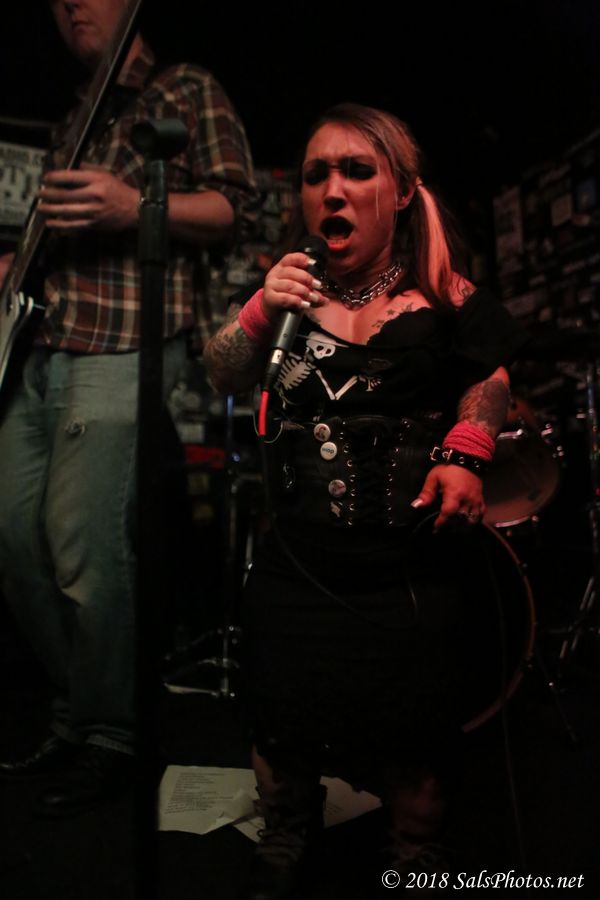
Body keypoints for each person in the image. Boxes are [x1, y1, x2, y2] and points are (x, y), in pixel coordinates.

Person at [203, 102, 527, 898]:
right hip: (297, 563)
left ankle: (416, 858)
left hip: (406, 571)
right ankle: (284, 838)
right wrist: (260, 307)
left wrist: (467, 450)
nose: (334, 189)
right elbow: (223, 371)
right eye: (317, 174)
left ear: (402, 191)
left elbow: (489, 373)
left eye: (357, 170)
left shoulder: (440, 295)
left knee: (416, 746)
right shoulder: (288, 295)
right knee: (280, 724)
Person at [0, 0, 256, 816]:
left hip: (122, 339)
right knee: (13, 539)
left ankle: (113, 733)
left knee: (84, 542)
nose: (69, 5)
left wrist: (131, 205)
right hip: (39, 344)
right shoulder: (78, 113)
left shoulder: (185, 87)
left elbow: (234, 206)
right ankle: (79, 711)